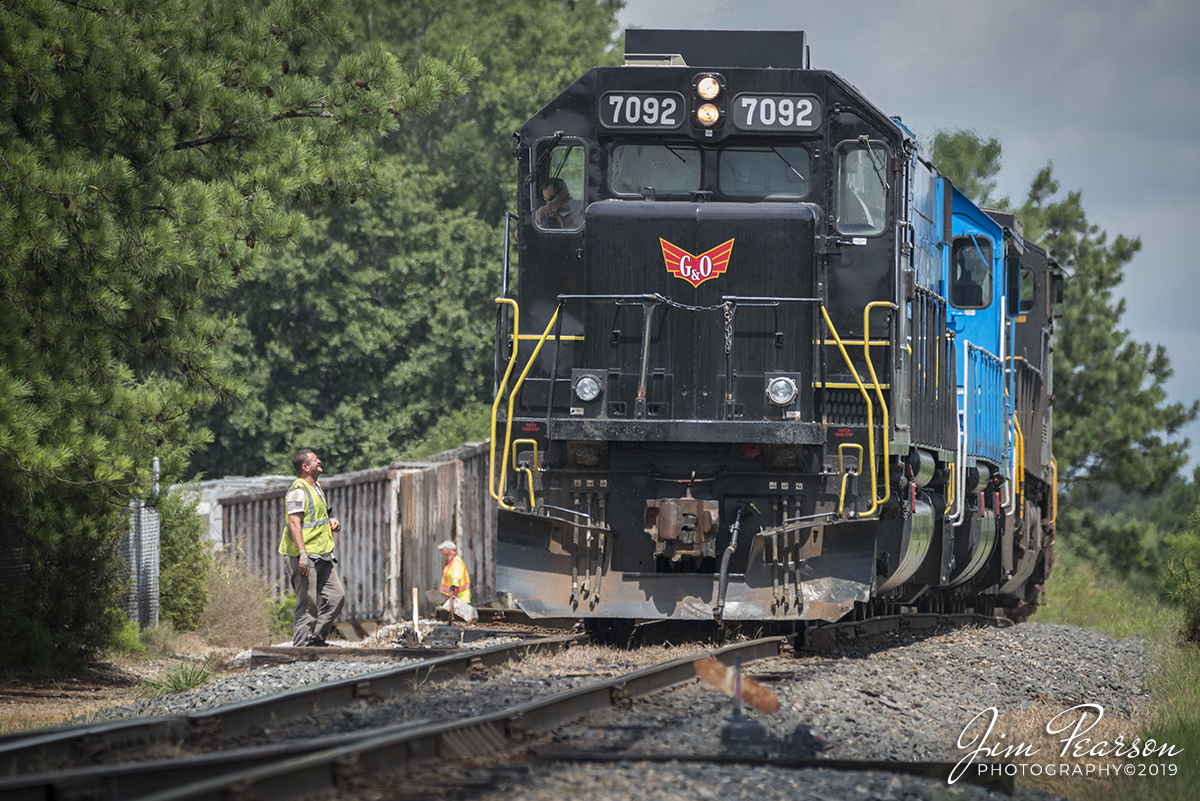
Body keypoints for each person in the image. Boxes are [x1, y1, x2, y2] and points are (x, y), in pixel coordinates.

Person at [278, 449, 345, 646]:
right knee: (307, 604)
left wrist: (332, 522)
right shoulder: (298, 491)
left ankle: (314, 639)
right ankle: (301, 648)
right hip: (305, 556)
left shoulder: (316, 488)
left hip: (323, 554)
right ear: (305, 467)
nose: (320, 461)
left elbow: (315, 518)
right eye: (316, 460)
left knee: (336, 598)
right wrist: (303, 554)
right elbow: (294, 524)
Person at [438, 539, 471, 604]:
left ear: (447, 551)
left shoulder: (456, 564)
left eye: (442, 549)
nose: (441, 551)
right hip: (451, 602)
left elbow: (455, 585)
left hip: (459, 602)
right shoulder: (449, 564)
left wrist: (451, 601)